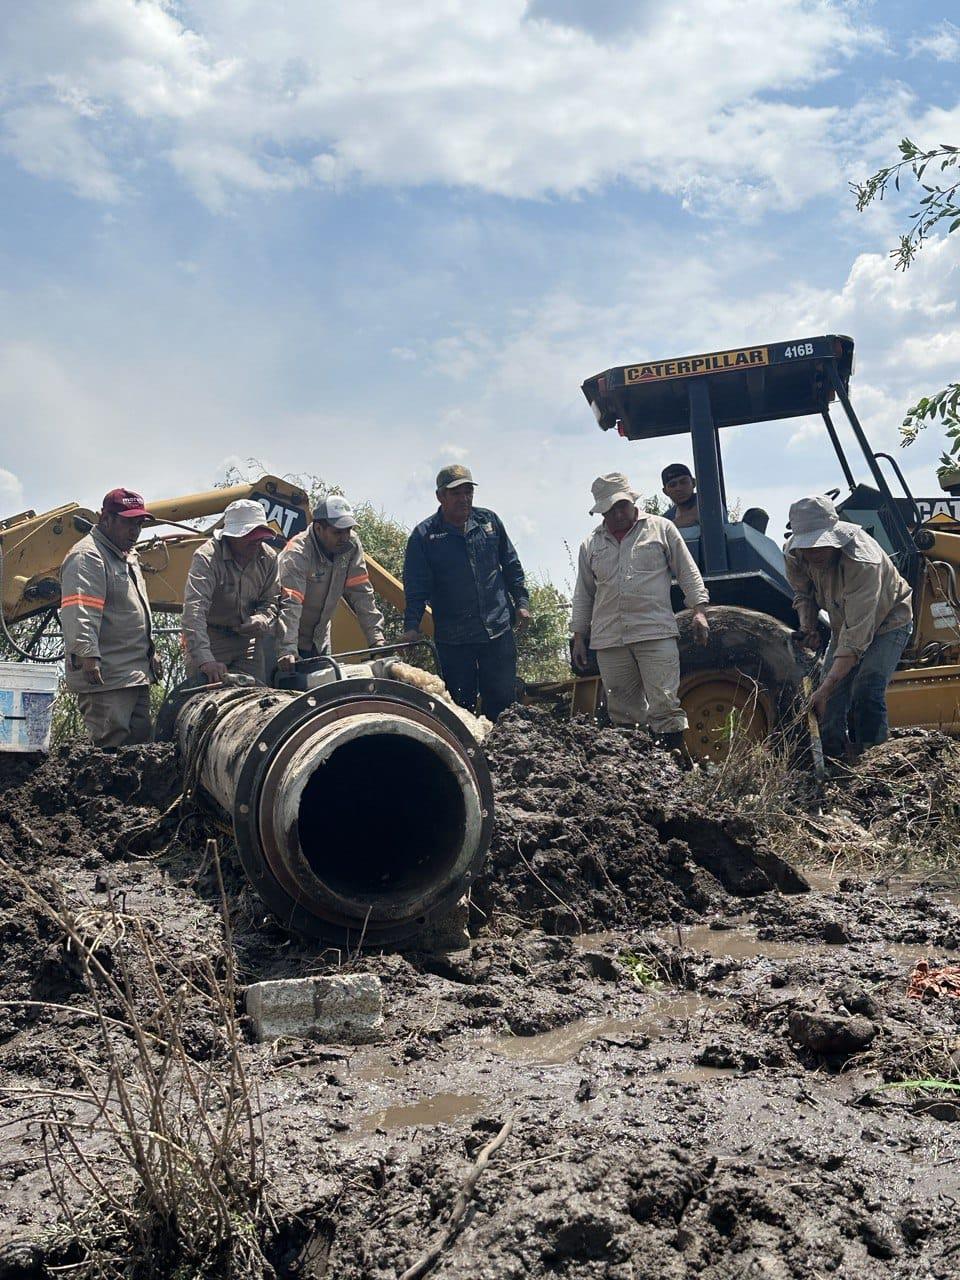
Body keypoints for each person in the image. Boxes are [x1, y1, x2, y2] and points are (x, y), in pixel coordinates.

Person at [571, 472, 710, 749]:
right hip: (609, 638)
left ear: (631, 501)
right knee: (622, 708)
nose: (617, 513)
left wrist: (699, 610)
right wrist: (578, 636)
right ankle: (637, 772)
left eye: (621, 505)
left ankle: (673, 766)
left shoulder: (661, 528)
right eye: (610, 509)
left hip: (654, 632)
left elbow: (687, 571)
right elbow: (584, 593)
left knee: (665, 704)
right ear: (601, 511)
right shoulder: (591, 544)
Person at [784, 495, 913, 761]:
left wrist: (825, 687)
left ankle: (875, 759)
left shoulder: (863, 562)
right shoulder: (795, 555)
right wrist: (807, 626)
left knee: (866, 689)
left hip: (889, 621)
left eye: (821, 545)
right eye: (808, 546)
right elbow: (803, 594)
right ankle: (834, 760)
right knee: (828, 703)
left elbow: (855, 640)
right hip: (844, 624)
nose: (814, 553)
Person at [401, 464, 530, 721]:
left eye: (468, 491)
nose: (464, 498)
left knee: (504, 704)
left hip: (497, 631)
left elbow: (512, 565)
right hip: (454, 640)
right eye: (456, 493)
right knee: (461, 709)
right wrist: (412, 626)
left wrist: (522, 603)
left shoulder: (489, 522)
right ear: (440, 496)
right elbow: (416, 588)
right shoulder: (424, 536)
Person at [60, 487, 161, 748]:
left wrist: (151, 651)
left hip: (135, 672)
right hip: (107, 677)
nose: (135, 531)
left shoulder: (127, 556)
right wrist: (87, 655)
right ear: (106, 520)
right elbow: (80, 610)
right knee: (110, 751)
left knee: (140, 749)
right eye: (128, 523)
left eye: (139, 524)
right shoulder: (88, 556)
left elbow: (134, 609)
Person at [276, 495, 385, 671]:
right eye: (337, 532)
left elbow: (362, 593)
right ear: (318, 528)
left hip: (319, 640)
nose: (345, 537)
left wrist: (376, 639)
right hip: (283, 639)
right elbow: (290, 604)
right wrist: (287, 649)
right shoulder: (297, 553)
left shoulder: (351, 546)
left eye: (348, 530)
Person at [181, 499, 280, 684]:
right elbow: (194, 612)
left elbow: (271, 601)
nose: (256, 542)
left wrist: (261, 619)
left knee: (256, 698)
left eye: (260, 537)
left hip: (248, 644)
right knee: (202, 700)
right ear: (230, 535)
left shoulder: (268, 558)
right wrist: (205, 660)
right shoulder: (207, 558)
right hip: (211, 640)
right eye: (249, 536)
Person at [661, 463, 700, 528]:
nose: (678, 488)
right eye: (672, 485)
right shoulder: (667, 518)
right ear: (665, 492)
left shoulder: (709, 504)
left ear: (693, 483)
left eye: (683, 482)